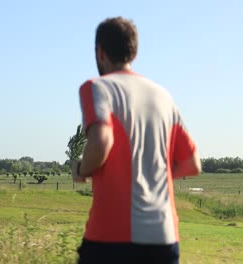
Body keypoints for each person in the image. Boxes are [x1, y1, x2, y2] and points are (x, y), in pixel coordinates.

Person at [72, 17, 202, 264]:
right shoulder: (163, 96)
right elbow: (191, 163)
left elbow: (101, 142)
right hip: (164, 237)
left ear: (100, 52)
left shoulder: (97, 87)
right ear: (134, 51)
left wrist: (81, 168)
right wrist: (149, 173)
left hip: (111, 237)